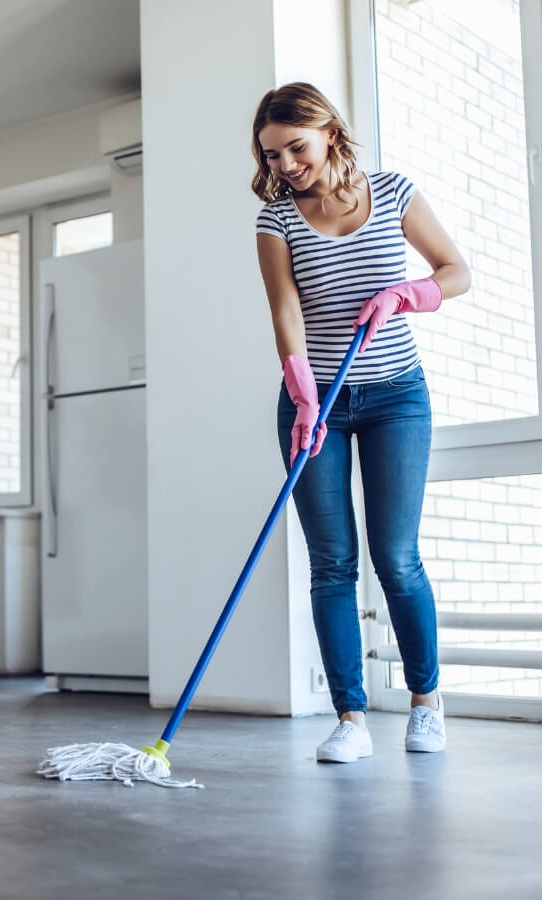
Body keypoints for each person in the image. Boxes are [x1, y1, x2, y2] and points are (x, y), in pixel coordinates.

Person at [252, 82, 471, 763]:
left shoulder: (394, 192)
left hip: (396, 397)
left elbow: (456, 271)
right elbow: (285, 311)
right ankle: (350, 718)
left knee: (396, 559)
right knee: (331, 563)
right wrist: (303, 390)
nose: (287, 164)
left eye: (297, 147)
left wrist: (412, 292)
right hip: (315, 401)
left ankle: (426, 704)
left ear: (329, 133)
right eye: (273, 154)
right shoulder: (276, 219)